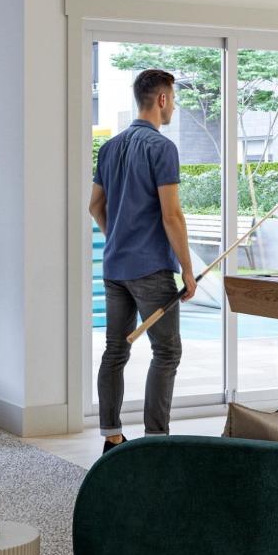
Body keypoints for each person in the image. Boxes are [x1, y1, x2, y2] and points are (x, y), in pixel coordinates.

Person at [88, 68, 198, 454]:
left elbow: (95, 205)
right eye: (174, 99)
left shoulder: (110, 147)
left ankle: (112, 436)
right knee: (166, 352)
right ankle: (156, 440)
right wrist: (187, 268)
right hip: (151, 269)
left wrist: (117, 238)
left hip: (115, 267)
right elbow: (172, 216)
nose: (173, 107)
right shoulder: (162, 148)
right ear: (163, 99)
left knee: (114, 351)